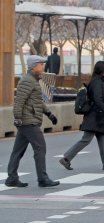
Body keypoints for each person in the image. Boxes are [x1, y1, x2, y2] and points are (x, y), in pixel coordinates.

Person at [6, 55, 60, 188]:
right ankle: (42, 179)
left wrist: (49, 114)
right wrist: (18, 118)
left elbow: (37, 102)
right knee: (40, 147)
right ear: (33, 66)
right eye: (41, 64)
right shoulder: (27, 81)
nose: (43, 66)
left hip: (28, 120)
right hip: (28, 121)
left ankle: (11, 178)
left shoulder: (33, 80)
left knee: (18, 150)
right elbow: (19, 102)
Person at [59, 61, 104, 171]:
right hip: (94, 116)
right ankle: (66, 158)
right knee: (86, 139)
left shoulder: (97, 81)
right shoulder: (96, 83)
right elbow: (97, 99)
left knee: (103, 139)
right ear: (102, 70)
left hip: (97, 116)